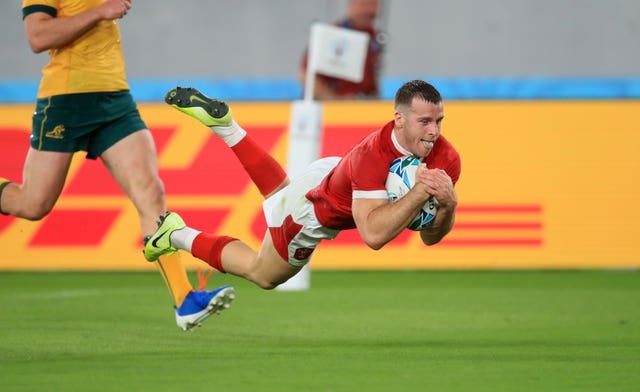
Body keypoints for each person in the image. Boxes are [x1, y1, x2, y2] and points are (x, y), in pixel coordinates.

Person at [0, 0, 234, 332]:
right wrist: (99, 11)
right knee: (33, 203)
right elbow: (37, 36)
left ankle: (185, 301)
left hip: (114, 98)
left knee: (150, 193)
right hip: (66, 99)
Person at [143, 80, 460, 299]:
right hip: (314, 211)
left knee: (280, 196)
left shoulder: (446, 158)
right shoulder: (372, 156)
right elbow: (374, 236)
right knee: (263, 274)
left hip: (330, 174)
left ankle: (226, 127)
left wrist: (447, 207)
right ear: (399, 120)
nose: (434, 131)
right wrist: (419, 193)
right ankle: (173, 233)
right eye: (424, 121)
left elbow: (430, 237)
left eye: (439, 121)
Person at [299, 0, 384, 100]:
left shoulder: (373, 37)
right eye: (365, 5)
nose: (371, 11)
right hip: (337, 111)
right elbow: (306, 75)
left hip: (363, 107)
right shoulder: (334, 35)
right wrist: (337, 102)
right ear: (351, 6)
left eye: (374, 5)